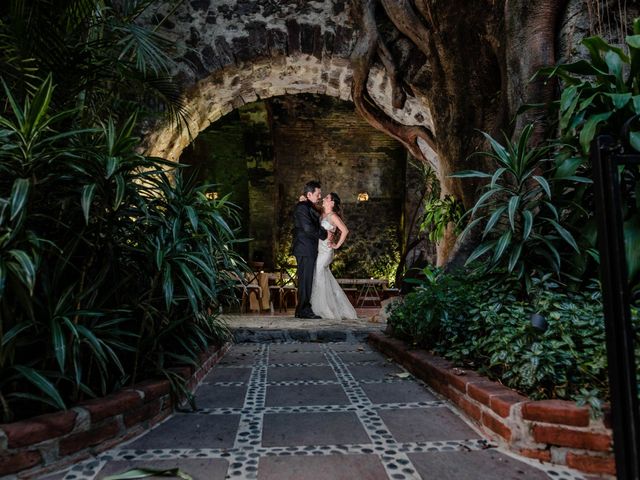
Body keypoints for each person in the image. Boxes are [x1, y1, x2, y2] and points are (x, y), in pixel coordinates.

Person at [310, 192, 358, 320]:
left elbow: (345, 230)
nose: (324, 199)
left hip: (326, 251)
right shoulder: (321, 214)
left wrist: (337, 245)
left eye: (327, 198)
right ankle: (326, 306)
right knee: (322, 276)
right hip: (318, 250)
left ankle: (323, 309)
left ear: (332, 203)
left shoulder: (333, 216)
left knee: (318, 273)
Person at [292, 180, 328, 319]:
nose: (320, 196)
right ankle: (303, 310)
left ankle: (302, 309)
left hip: (307, 248)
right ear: (309, 194)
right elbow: (308, 228)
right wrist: (323, 234)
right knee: (305, 279)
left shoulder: (307, 206)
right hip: (304, 248)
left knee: (307, 279)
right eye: (318, 194)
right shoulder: (302, 207)